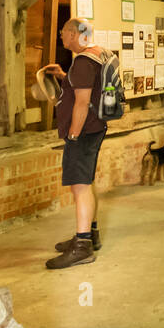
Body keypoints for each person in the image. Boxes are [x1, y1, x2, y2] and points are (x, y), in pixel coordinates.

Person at [40, 17, 110, 269]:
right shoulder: (98, 54)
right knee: (86, 183)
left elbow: (82, 102)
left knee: (80, 186)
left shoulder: (82, 62)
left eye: (62, 33)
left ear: (72, 34)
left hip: (83, 133)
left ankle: (83, 247)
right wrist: (63, 76)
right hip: (96, 127)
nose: (61, 37)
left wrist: (73, 134)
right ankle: (90, 234)